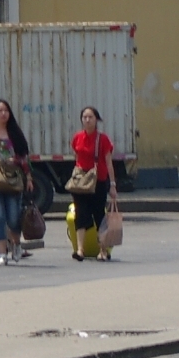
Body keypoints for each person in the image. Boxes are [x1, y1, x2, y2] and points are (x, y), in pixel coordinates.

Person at [0, 100, 33, 262]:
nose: (3, 113)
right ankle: (2, 254)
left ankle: (16, 245)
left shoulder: (15, 133)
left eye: (6, 111)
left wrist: (29, 178)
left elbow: (24, 158)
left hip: (13, 180)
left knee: (13, 217)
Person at [67, 105, 119, 262]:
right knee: (80, 214)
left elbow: (109, 163)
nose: (87, 120)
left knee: (99, 215)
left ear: (96, 120)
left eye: (90, 117)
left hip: (99, 181)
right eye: (84, 117)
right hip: (81, 183)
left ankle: (103, 250)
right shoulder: (77, 137)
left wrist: (112, 185)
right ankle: (80, 250)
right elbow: (77, 157)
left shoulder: (102, 139)